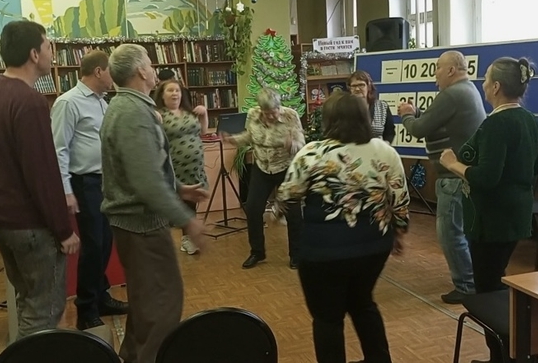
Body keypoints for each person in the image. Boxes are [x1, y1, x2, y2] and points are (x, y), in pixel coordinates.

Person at [277, 91, 410, 363]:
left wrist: (275, 213)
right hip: (374, 247)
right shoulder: (385, 151)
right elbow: (400, 202)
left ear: (329, 120)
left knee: (327, 317)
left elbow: (288, 194)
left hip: (322, 253)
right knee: (363, 304)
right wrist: (398, 233)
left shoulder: (312, 153)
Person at [439, 57, 538, 363]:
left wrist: (453, 164)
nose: (482, 84)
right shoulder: (529, 119)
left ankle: (502, 357)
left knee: (487, 293)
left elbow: (485, 178)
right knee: (496, 282)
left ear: (496, 87)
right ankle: (508, 353)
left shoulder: (496, 124)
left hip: (491, 219)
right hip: (517, 214)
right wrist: (517, 174)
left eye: (486, 79)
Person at [100, 43, 208, 363]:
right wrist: (187, 219)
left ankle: (132, 357)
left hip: (136, 224)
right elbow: (145, 181)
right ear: (140, 71)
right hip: (142, 226)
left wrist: (178, 189)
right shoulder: (133, 113)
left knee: (146, 305)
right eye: (149, 62)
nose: (153, 67)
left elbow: (146, 166)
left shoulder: (128, 106)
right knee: (162, 308)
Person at [0, 20, 80, 339]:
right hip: (29, 224)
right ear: (34, 54)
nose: (52, 53)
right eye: (48, 46)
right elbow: (42, 173)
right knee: (44, 313)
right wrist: (63, 230)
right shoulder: (30, 101)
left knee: (27, 300)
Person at [397, 50, 486, 304]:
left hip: (453, 178)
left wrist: (407, 113)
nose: (435, 74)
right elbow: (435, 123)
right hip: (463, 177)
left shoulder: (452, 94)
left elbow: (418, 128)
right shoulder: (468, 90)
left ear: (451, 70)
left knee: (450, 234)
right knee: (461, 232)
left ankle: (466, 286)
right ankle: (472, 280)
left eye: (437, 67)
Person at [50, 50, 129, 331]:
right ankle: (86, 308)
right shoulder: (68, 102)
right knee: (94, 244)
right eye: (111, 71)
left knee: (105, 242)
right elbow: (58, 149)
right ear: (98, 71)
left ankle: (100, 295)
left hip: (106, 181)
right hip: (85, 182)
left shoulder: (102, 102)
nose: (114, 77)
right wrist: (66, 190)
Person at [223, 87, 304, 269]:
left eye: (274, 112)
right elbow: (250, 136)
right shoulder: (253, 114)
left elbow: (301, 144)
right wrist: (234, 139)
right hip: (262, 168)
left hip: (285, 168)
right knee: (252, 209)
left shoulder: (290, 116)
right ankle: (257, 252)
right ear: (260, 109)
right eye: (267, 113)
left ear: (279, 107)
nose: (271, 116)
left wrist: (292, 144)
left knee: (293, 213)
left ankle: (296, 255)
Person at [154, 79, 209, 255]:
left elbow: (203, 132)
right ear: (162, 95)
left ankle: (187, 238)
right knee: (178, 203)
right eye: (170, 90)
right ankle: (181, 238)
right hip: (175, 167)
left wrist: (204, 114)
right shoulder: (158, 115)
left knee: (191, 202)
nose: (175, 94)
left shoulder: (189, 112)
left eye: (177, 90)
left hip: (195, 168)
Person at [348, 70, 395, 143]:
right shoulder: (344, 108)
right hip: (352, 149)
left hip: (377, 148)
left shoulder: (382, 106)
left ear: (368, 87)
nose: (357, 89)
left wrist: (385, 145)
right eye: (354, 86)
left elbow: (390, 132)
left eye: (361, 85)